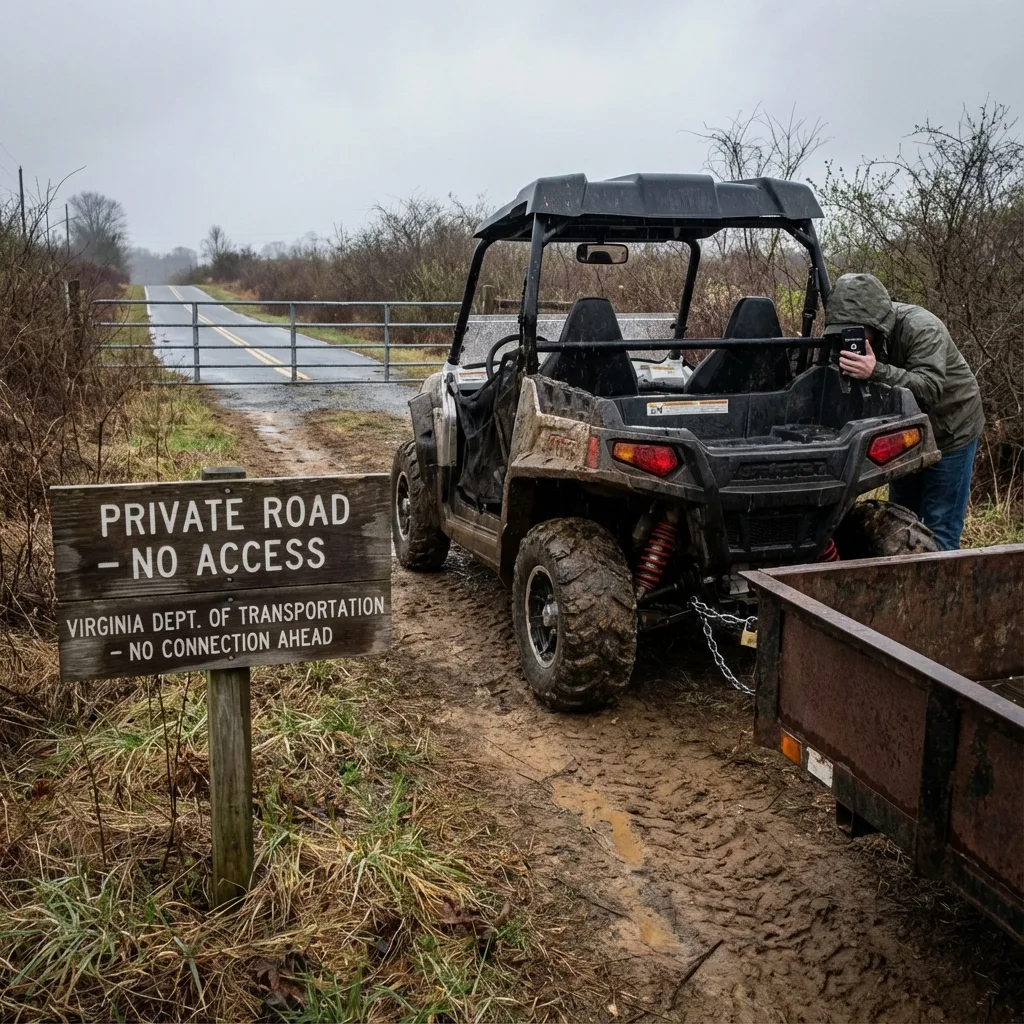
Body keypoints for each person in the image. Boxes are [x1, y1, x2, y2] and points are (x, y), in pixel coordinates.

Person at [824, 272, 985, 550]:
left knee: (940, 525)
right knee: (898, 524)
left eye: (854, 329)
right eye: (842, 330)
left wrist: (875, 371)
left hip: (951, 430)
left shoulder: (921, 328)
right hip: (905, 437)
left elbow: (929, 388)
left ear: (875, 322)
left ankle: (937, 589)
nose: (848, 337)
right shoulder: (859, 341)